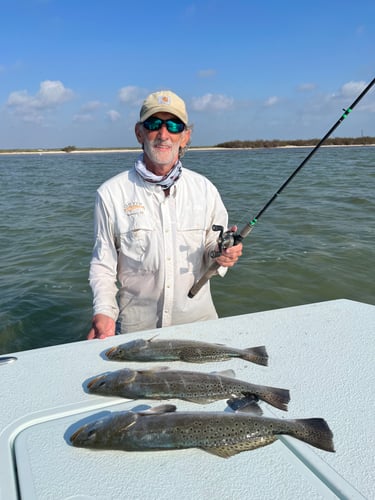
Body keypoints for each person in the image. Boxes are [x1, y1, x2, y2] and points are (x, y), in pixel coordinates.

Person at [87, 90, 243, 339]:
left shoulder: (205, 189)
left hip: (200, 326)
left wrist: (223, 253)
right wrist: (104, 312)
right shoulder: (110, 194)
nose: (163, 134)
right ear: (139, 133)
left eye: (173, 125)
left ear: (185, 136)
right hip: (136, 331)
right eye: (153, 124)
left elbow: (211, 248)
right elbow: (103, 265)